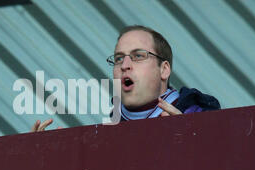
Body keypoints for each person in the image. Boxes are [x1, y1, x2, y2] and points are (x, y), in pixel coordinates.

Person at [31, 25, 220, 131]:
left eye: (138, 56)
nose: (125, 65)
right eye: (119, 58)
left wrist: (195, 140)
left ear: (164, 69)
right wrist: (43, 160)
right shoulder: (104, 138)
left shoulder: (206, 118)